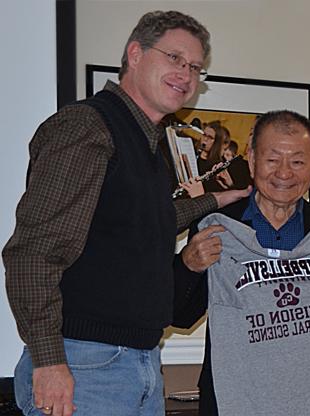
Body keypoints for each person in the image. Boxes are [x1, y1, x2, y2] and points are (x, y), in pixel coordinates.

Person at [3, 10, 248, 416]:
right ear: (135, 54)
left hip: (140, 362)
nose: (185, 75)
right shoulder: (87, 127)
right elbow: (32, 253)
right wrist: (48, 362)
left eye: (194, 68)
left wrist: (217, 200)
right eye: (174, 58)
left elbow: (146, 220)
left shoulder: (147, 146)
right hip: (86, 366)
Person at [172, 110, 310, 415]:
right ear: (252, 160)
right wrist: (188, 266)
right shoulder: (218, 229)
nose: (284, 172)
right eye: (272, 159)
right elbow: (181, 316)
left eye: (297, 161)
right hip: (239, 397)